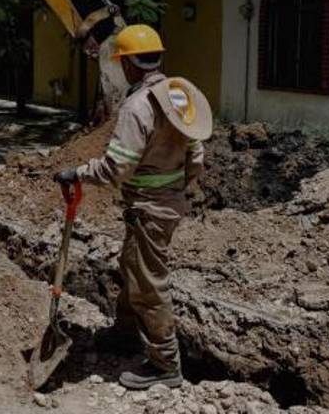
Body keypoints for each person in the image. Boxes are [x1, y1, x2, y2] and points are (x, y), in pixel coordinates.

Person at [53, 24, 212, 391]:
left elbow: (117, 167)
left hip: (149, 208)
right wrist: (173, 188)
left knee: (148, 284)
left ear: (126, 64)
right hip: (167, 203)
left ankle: (165, 364)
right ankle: (126, 333)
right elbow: (197, 156)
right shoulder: (178, 96)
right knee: (132, 265)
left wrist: (78, 173)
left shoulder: (137, 106)